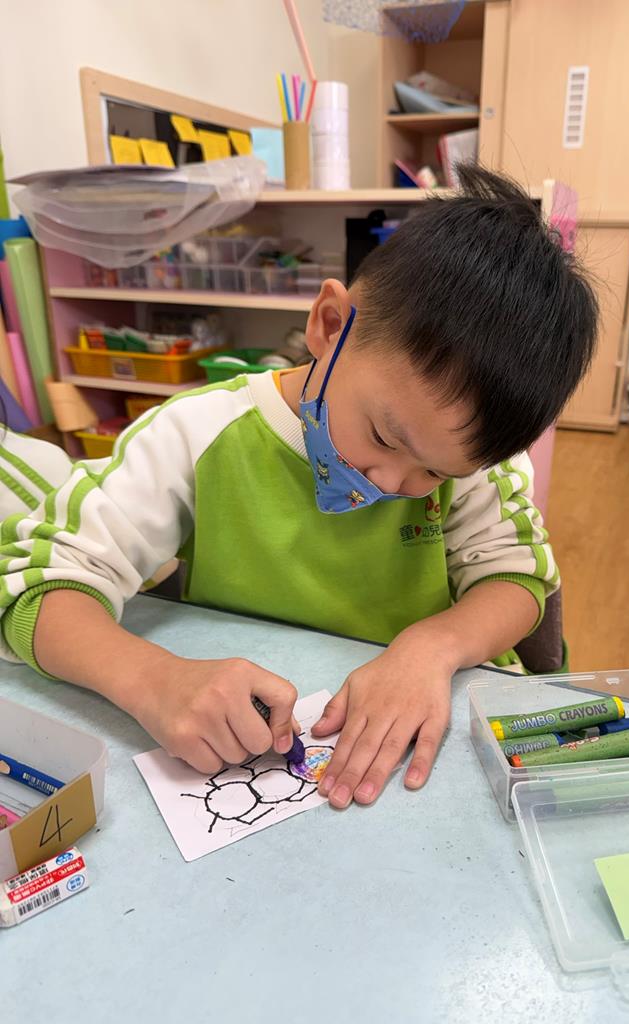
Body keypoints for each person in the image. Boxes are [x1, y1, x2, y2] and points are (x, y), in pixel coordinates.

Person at [0, 165, 598, 809]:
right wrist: (151, 680)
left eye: (436, 474)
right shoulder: (196, 434)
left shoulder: (471, 459)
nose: (390, 483)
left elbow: (518, 580)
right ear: (330, 324)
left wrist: (433, 647)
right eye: (384, 437)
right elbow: (36, 588)